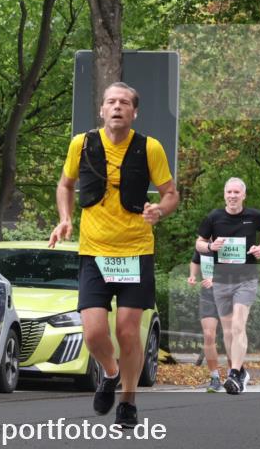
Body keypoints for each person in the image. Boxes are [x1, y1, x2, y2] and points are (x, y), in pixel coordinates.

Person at [49, 82, 178, 428]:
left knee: (127, 332)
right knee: (93, 333)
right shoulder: (81, 144)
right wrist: (65, 219)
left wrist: (159, 210)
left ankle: (128, 402)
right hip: (94, 252)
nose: (117, 106)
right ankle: (110, 372)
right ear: (102, 110)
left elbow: (170, 193)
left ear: (134, 112)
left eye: (124, 102)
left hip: (135, 251)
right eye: (111, 101)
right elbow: (65, 185)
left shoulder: (149, 148)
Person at [195, 177, 260, 395]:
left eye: (236, 192)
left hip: (246, 280)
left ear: (243, 195)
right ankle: (241, 372)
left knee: (238, 325)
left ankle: (235, 373)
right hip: (221, 281)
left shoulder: (254, 216)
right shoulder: (214, 217)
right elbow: (199, 243)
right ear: (224, 194)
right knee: (228, 331)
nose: (232, 196)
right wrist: (210, 246)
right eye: (229, 192)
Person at [188, 250, 227, 392]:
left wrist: (215, 279)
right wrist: (192, 275)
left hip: (229, 293)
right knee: (209, 335)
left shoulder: (229, 242)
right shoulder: (202, 245)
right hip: (208, 294)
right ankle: (214, 377)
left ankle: (233, 375)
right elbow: (195, 261)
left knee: (231, 335)